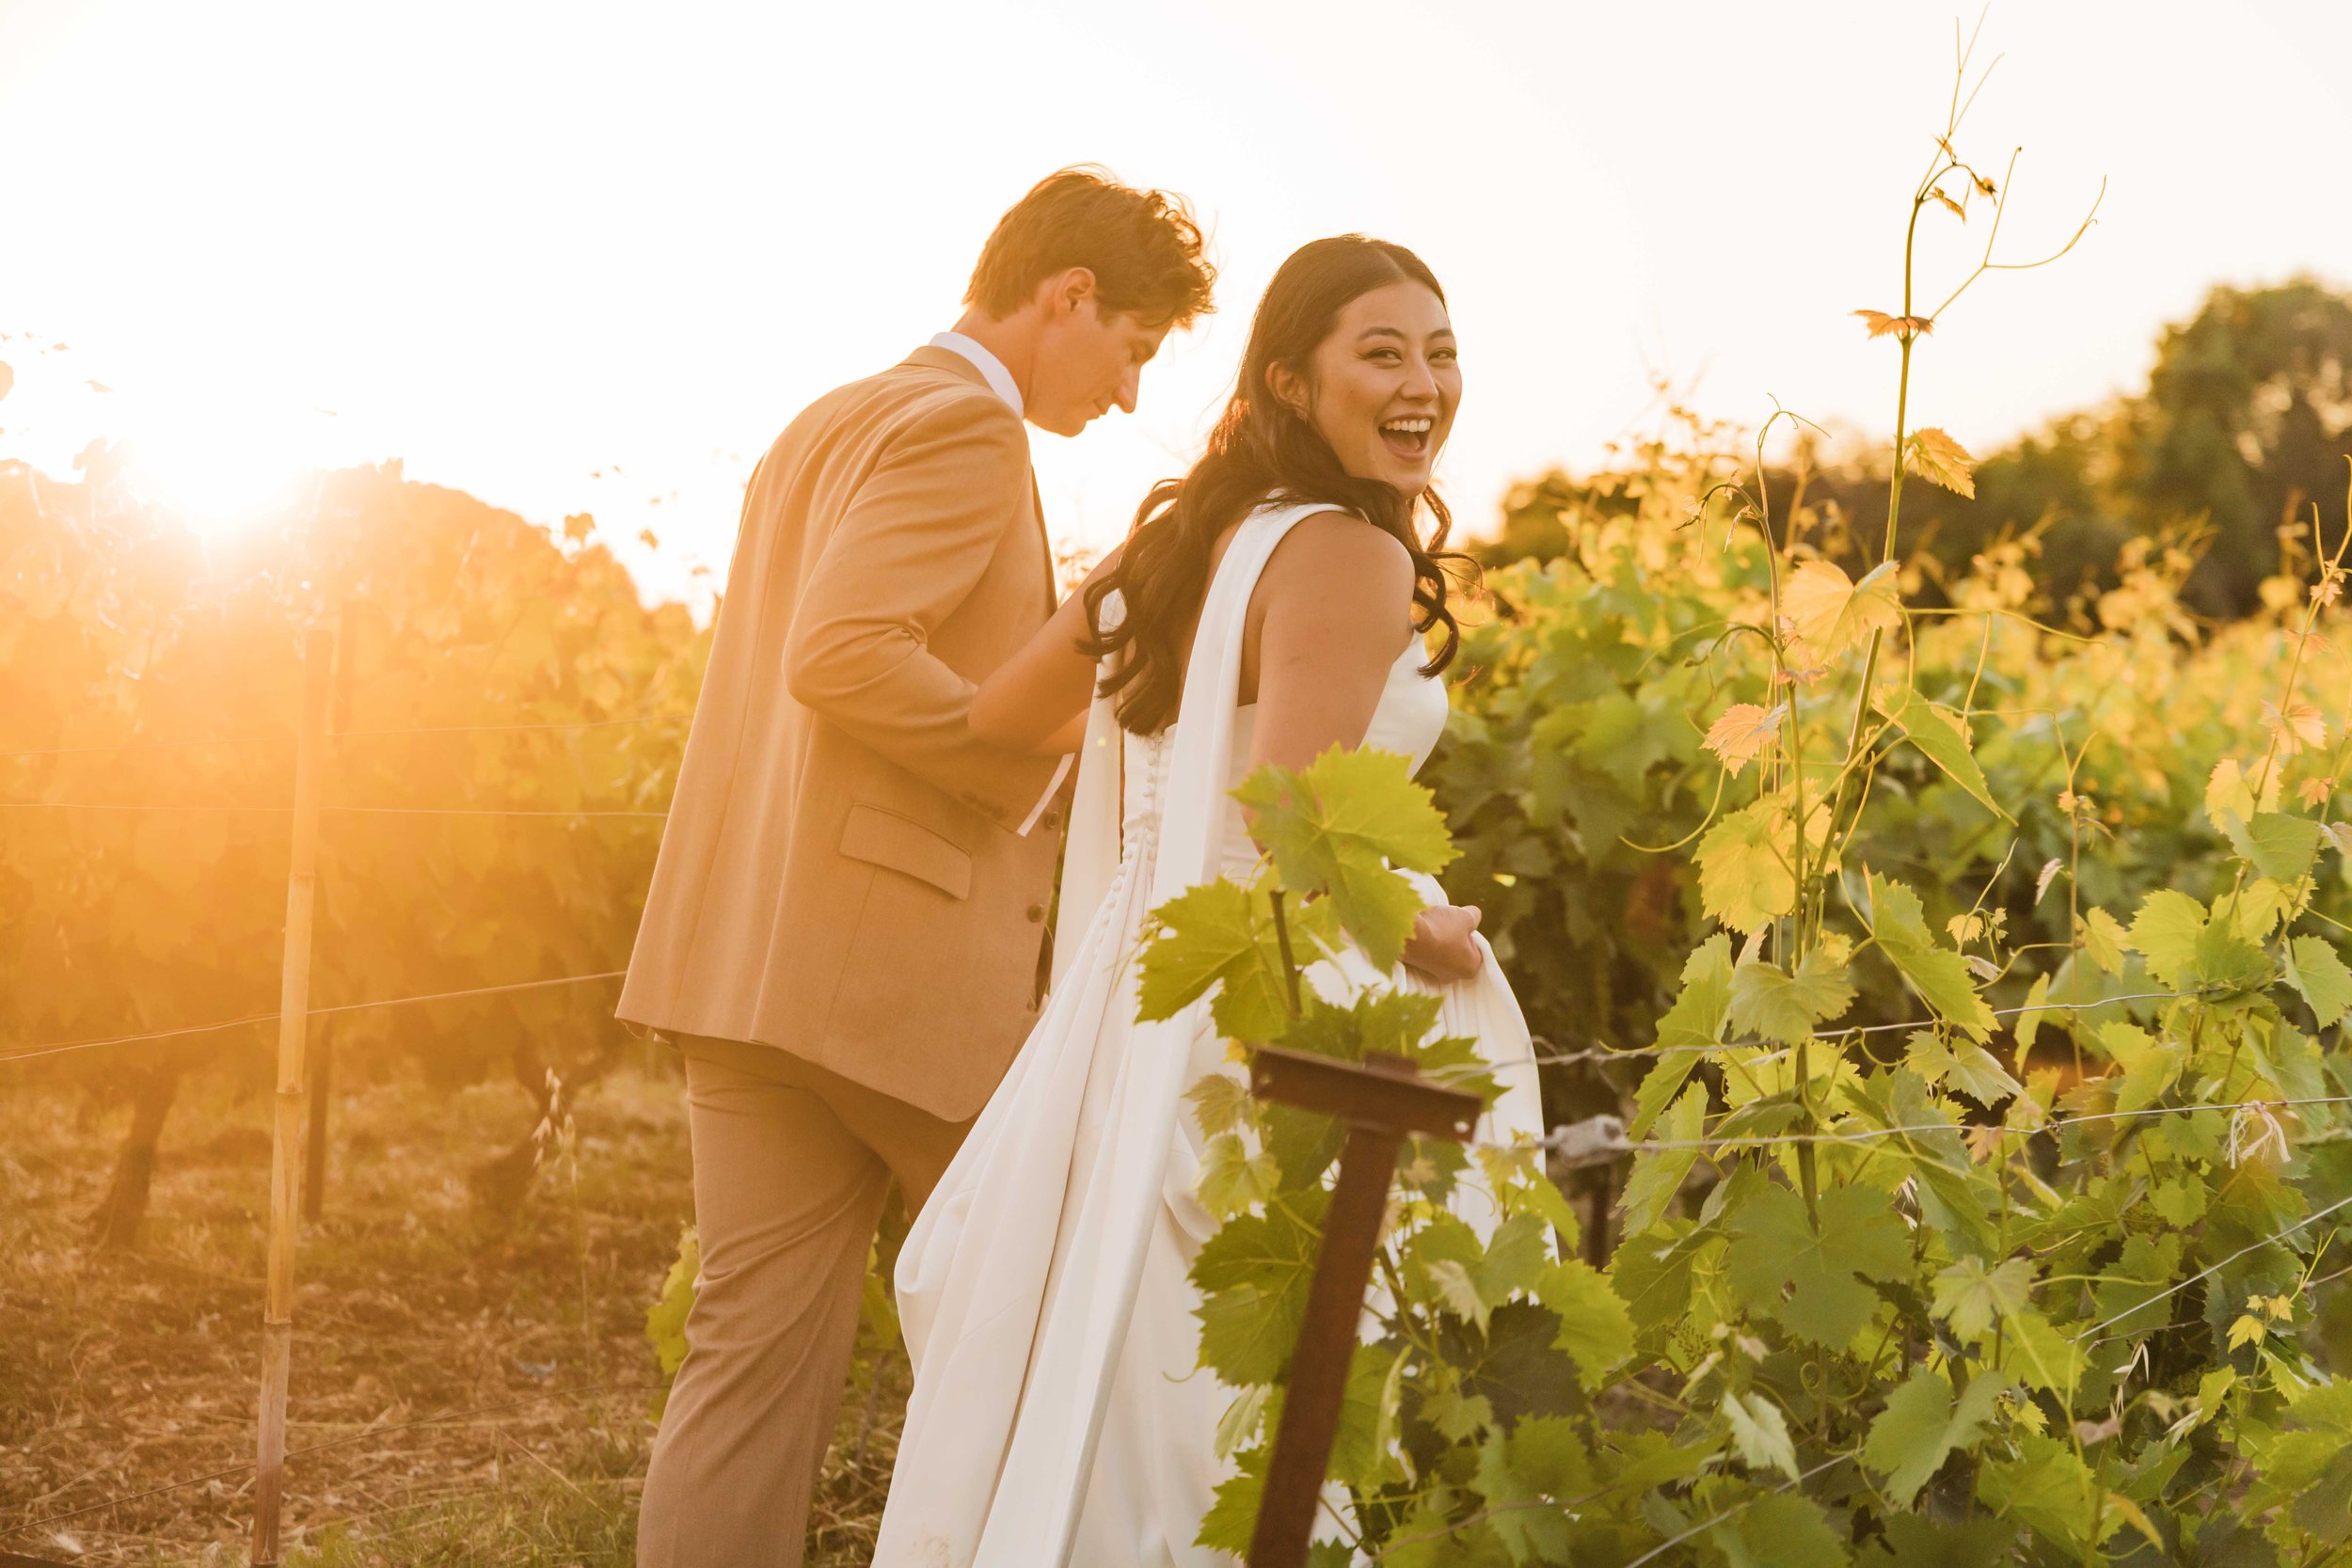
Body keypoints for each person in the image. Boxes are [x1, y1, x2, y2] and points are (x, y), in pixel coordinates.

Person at [875, 235, 1546, 1567]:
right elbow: (1284, 818)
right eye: (1383, 352)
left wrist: (1155, 795)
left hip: (1136, 987)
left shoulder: (1180, 540)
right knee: (1248, 1394)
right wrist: (1421, 928)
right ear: (1291, 383)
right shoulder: (1349, 555)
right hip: (1268, 990)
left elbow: (1010, 713)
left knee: (1124, 1358)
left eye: (1441, 351)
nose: (1424, 383)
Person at [617, 167, 1216, 1568]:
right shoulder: (962, 430)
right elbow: (840, 657)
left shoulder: (825, 419)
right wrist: (1040, 756)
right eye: (1132, 348)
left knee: (744, 1377)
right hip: (895, 988)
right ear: (1067, 297)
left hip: (745, 963)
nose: (1129, 396)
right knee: (1070, 1321)